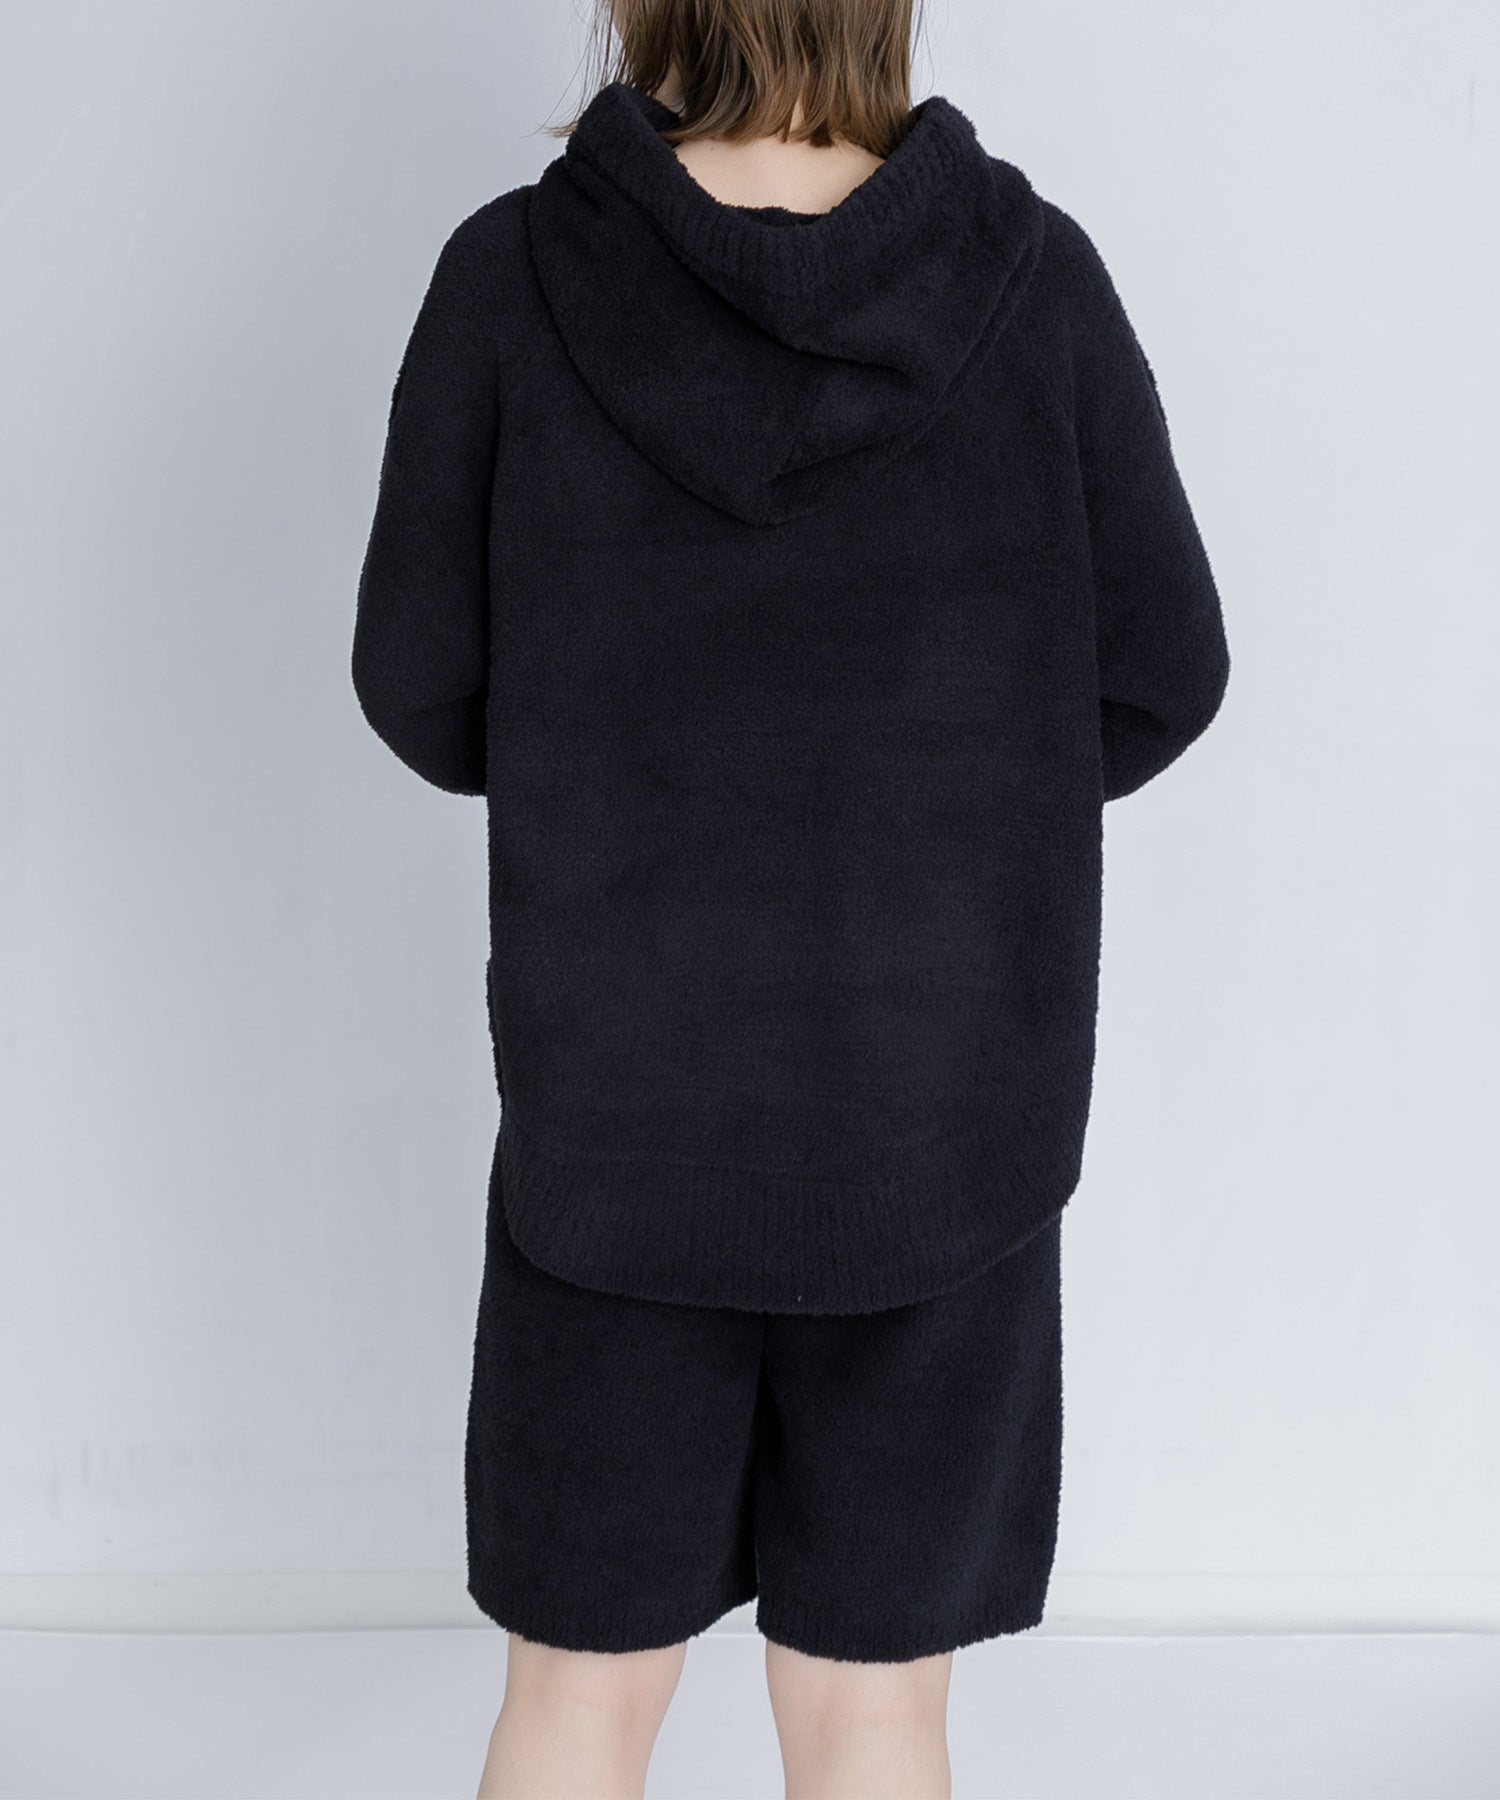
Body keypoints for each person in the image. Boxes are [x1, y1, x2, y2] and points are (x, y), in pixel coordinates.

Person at [351, 2, 1231, 1794]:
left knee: (577, 1694)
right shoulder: (1029, 282)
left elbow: (419, 682)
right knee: (873, 1710)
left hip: (617, 1142)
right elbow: (1164, 672)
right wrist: (948, 807)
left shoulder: (516, 278)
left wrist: (613, 766)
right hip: (940, 1144)